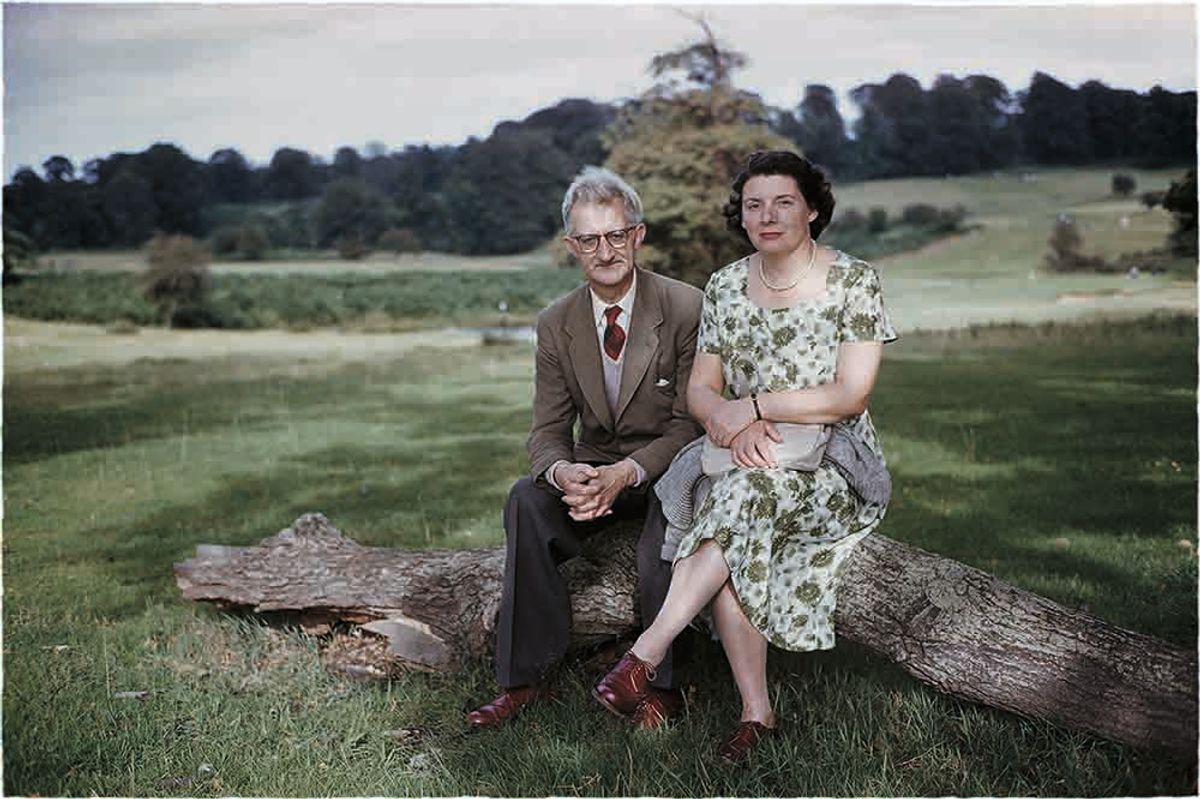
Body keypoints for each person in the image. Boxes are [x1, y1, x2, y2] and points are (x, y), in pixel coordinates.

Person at [593, 150, 897, 762]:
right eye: (754, 205)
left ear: (812, 210)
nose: (767, 216)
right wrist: (733, 427)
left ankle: (645, 656)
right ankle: (756, 716)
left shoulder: (853, 280)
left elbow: (850, 394)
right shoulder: (726, 285)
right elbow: (702, 392)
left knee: (740, 504)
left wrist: (756, 407)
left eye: (783, 202)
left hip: (829, 459)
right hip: (742, 453)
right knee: (742, 508)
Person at [466, 166, 704, 730]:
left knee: (665, 531)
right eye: (590, 240)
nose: (605, 251)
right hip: (594, 471)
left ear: (637, 235)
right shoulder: (556, 322)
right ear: (572, 246)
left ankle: (659, 686)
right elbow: (548, 430)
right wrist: (561, 473)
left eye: (616, 235)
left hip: (670, 468)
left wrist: (628, 473)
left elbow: (689, 426)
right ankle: (526, 680)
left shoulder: (686, 307)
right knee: (525, 500)